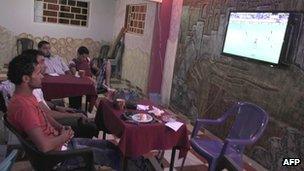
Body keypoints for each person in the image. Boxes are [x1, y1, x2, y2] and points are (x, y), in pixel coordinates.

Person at [7, 54, 121, 170]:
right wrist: (64, 136)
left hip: (61, 144)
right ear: (26, 79)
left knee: (110, 145)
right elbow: (44, 146)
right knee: (114, 156)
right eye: (38, 73)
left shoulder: (27, 96)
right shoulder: (24, 107)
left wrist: (60, 127)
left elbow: (44, 115)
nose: (42, 76)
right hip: (59, 157)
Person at [2, 50, 99, 139]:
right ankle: (81, 151)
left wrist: (59, 119)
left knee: (82, 115)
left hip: (53, 134)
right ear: (26, 77)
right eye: (41, 63)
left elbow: (43, 113)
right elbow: (44, 146)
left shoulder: (29, 95)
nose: (45, 66)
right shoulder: (25, 102)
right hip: (54, 144)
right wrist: (64, 135)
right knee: (90, 126)